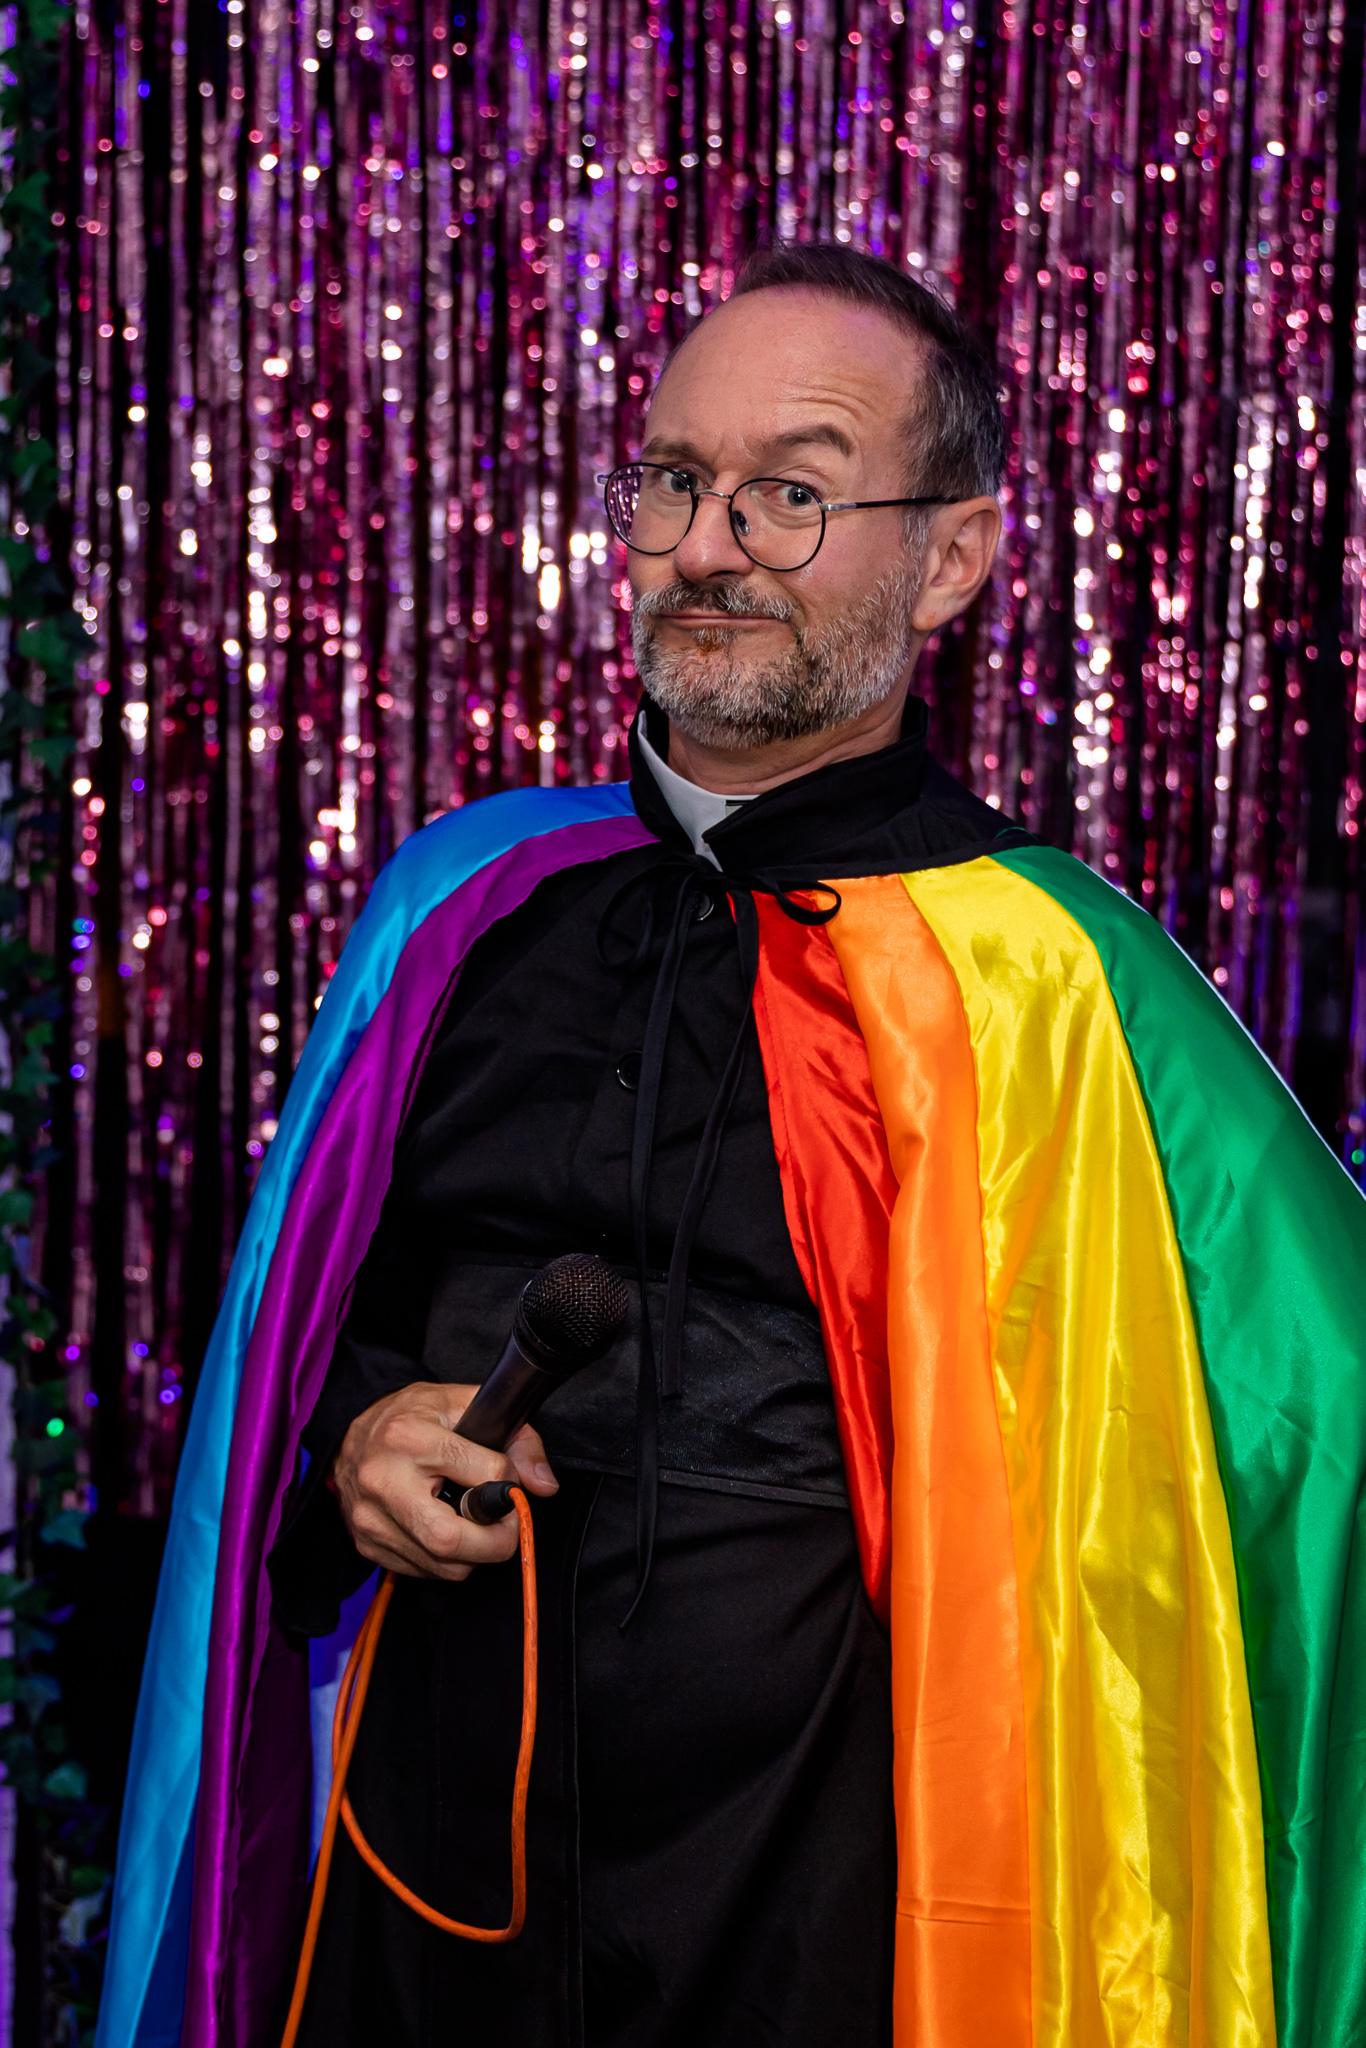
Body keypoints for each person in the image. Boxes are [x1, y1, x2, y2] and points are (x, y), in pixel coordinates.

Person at [99, 244, 1366, 2048]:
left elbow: (1313, 1422)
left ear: (952, 558)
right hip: (432, 1856)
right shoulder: (463, 904)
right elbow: (300, 1362)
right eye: (674, 483)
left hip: (839, 1893)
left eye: (791, 492)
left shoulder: (1060, 979)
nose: (708, 545)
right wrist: (354, 1449)